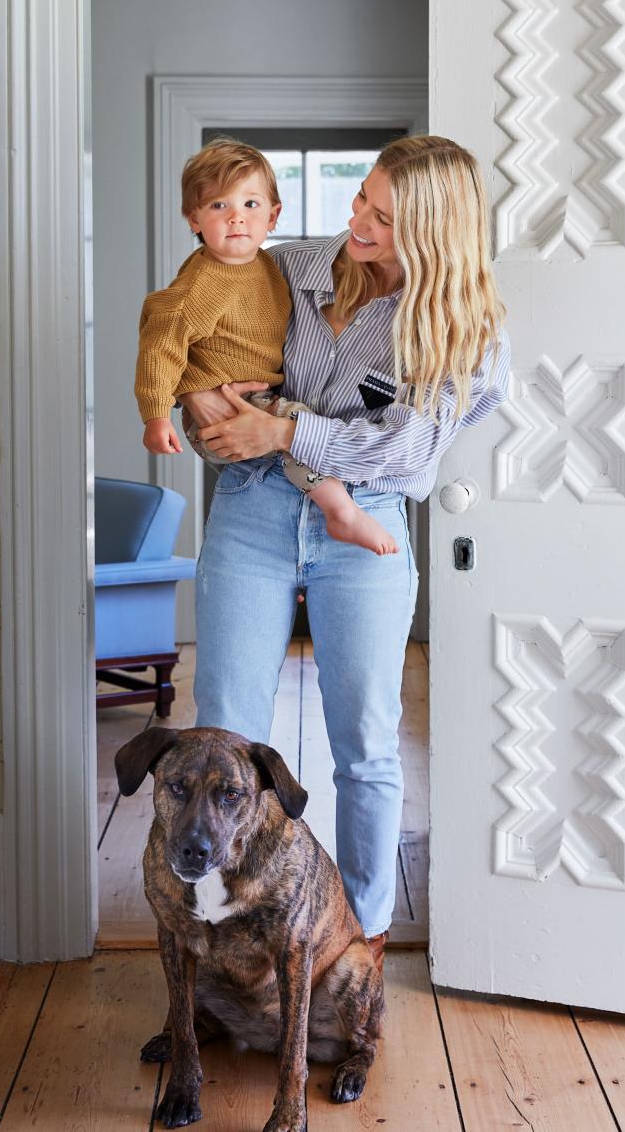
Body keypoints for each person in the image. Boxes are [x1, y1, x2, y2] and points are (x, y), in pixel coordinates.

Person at [181, 135, 511, 972]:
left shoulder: (465, 329)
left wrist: (284, 429)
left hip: (367, 527)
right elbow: (207, 367)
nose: (356, 221)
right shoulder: (283, 269)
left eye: (383, 217)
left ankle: (355, 943)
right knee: (225, 736)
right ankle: (227, 935)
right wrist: (212, 417)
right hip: (252, 509)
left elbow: (407, 456)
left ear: (435, 234)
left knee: (365, 741)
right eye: (361, 198)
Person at [135, 137, 399, 555]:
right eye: (219, 206)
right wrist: (158, 413)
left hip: (257, 400)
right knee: (300, 422)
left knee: (291, 425)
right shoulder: (203, 282)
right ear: (194, 220)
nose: (237, 218)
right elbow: (160, 339)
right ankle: (341, 512)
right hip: (228, 408)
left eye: (251, 205)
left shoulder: (271, 265)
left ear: (274, 216)